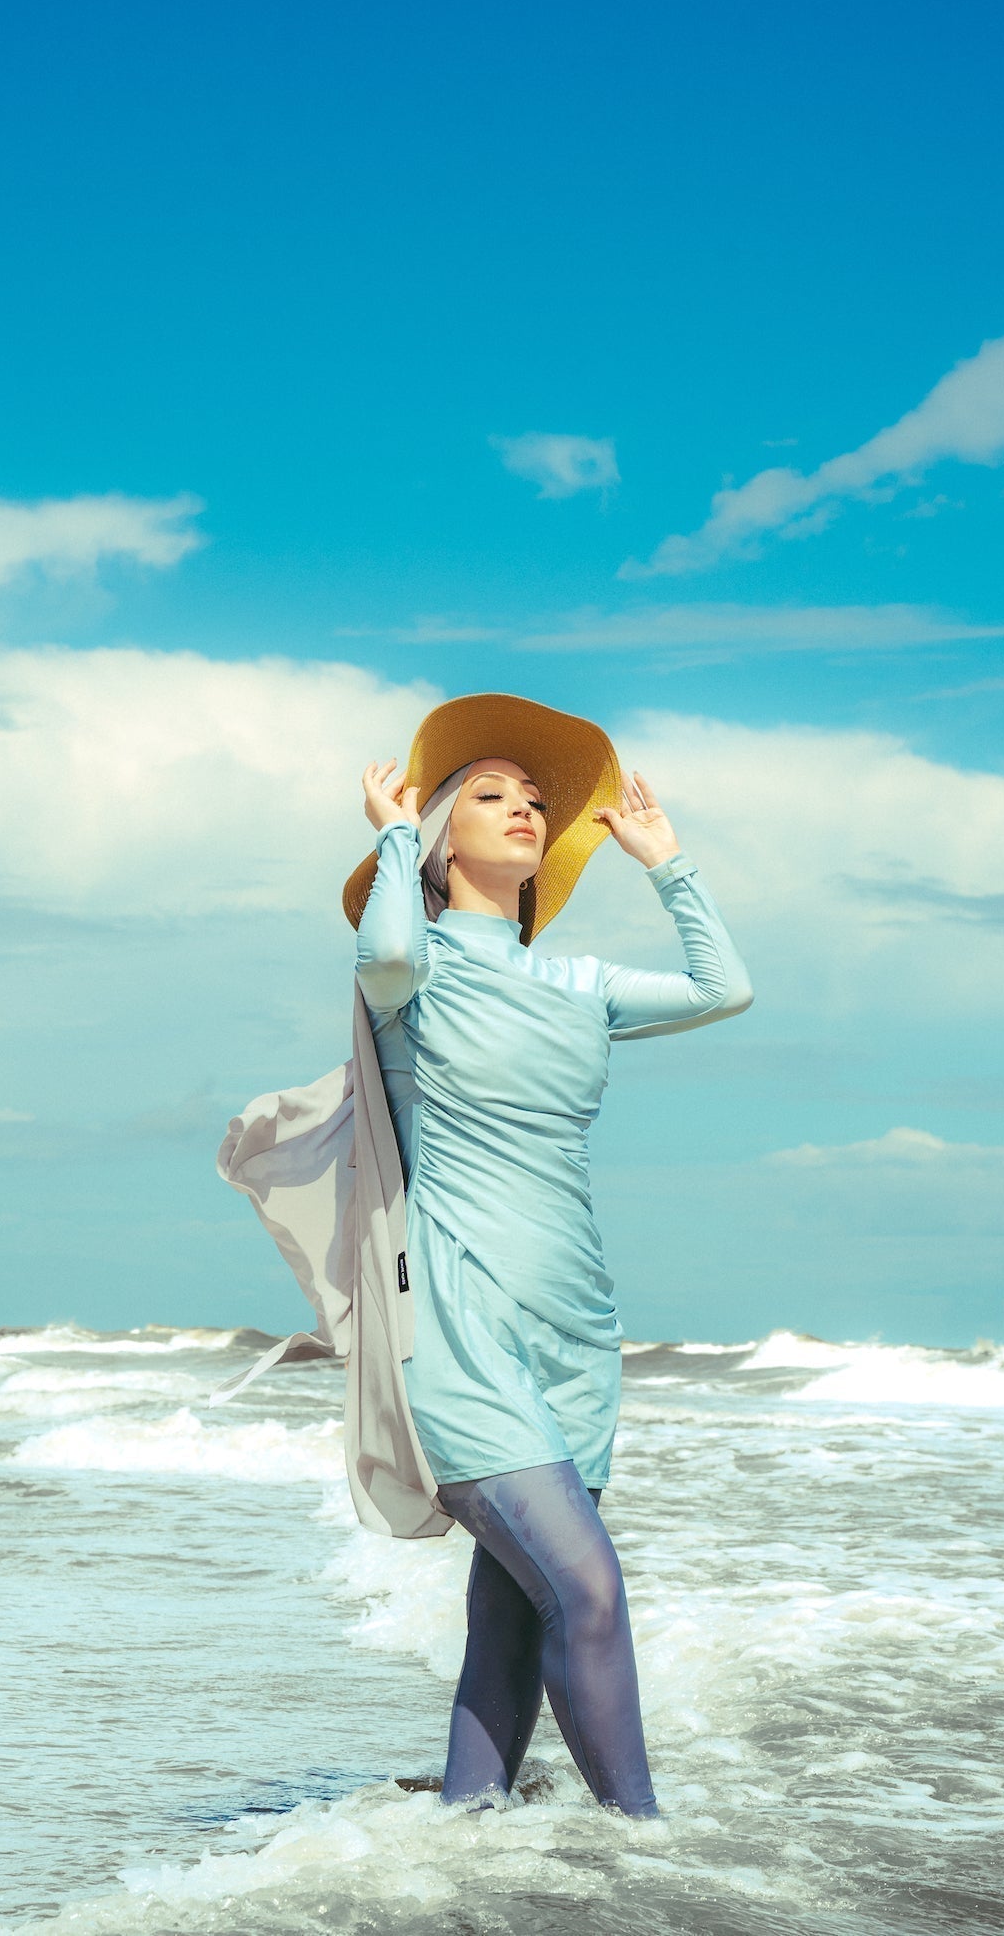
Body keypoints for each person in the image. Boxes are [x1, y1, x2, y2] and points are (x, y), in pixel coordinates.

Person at [349, 693, 753, 1819]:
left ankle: (467, 1823)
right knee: (587, 1582)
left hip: (576, 1330)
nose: (525, 807)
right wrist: (388, 835)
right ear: (440, 837)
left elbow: (726, 988)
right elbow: (381, 943)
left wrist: (667, 863)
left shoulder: (579, 983)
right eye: (490, 794)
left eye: (535, 799)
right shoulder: (413, 973)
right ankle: (647, 1846)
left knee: (518, 1610)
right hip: (460, 1327)